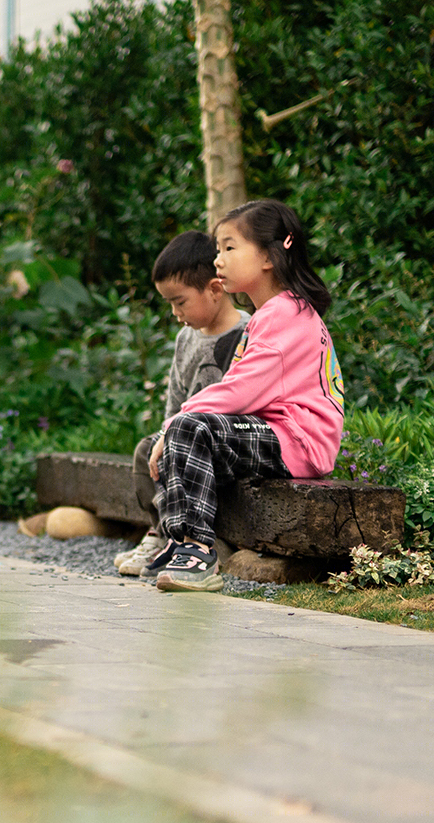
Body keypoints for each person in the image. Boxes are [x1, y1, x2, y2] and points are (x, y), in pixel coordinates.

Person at [144, 199, 344, 593]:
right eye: (218, 249)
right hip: (280, 434)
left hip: (298, 440)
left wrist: (172, 425)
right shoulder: (275, 312)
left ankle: (199, 551)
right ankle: (180, 540)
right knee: (184, 432)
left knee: (189, 428)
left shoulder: (285, 315)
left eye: (229, 248)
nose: (218, 259)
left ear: (269, 256)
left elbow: (240, 391)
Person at [111, 231, 248, 576]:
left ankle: (192, 540)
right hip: (182, 433)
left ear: (215, 289)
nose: (175, 312)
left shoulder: (249, 332)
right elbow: (176, 400)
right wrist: (163, 436)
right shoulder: (186, 339)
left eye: (180, 301)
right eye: (169, 304)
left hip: (221, 444)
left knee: (180, 449)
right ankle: (160, 532)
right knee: (147, 449)